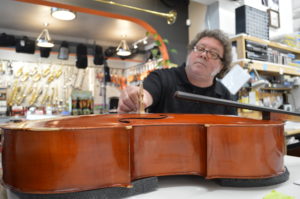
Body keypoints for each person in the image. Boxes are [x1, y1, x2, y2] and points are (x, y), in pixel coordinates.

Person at [117, 29, 237, 115]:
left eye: (213, 53)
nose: (204, 55)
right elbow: (145, 95)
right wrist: (136, 99)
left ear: (222, 66)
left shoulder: (226, 97)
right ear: (190, 52)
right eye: (200, 48)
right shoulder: (161, 78)